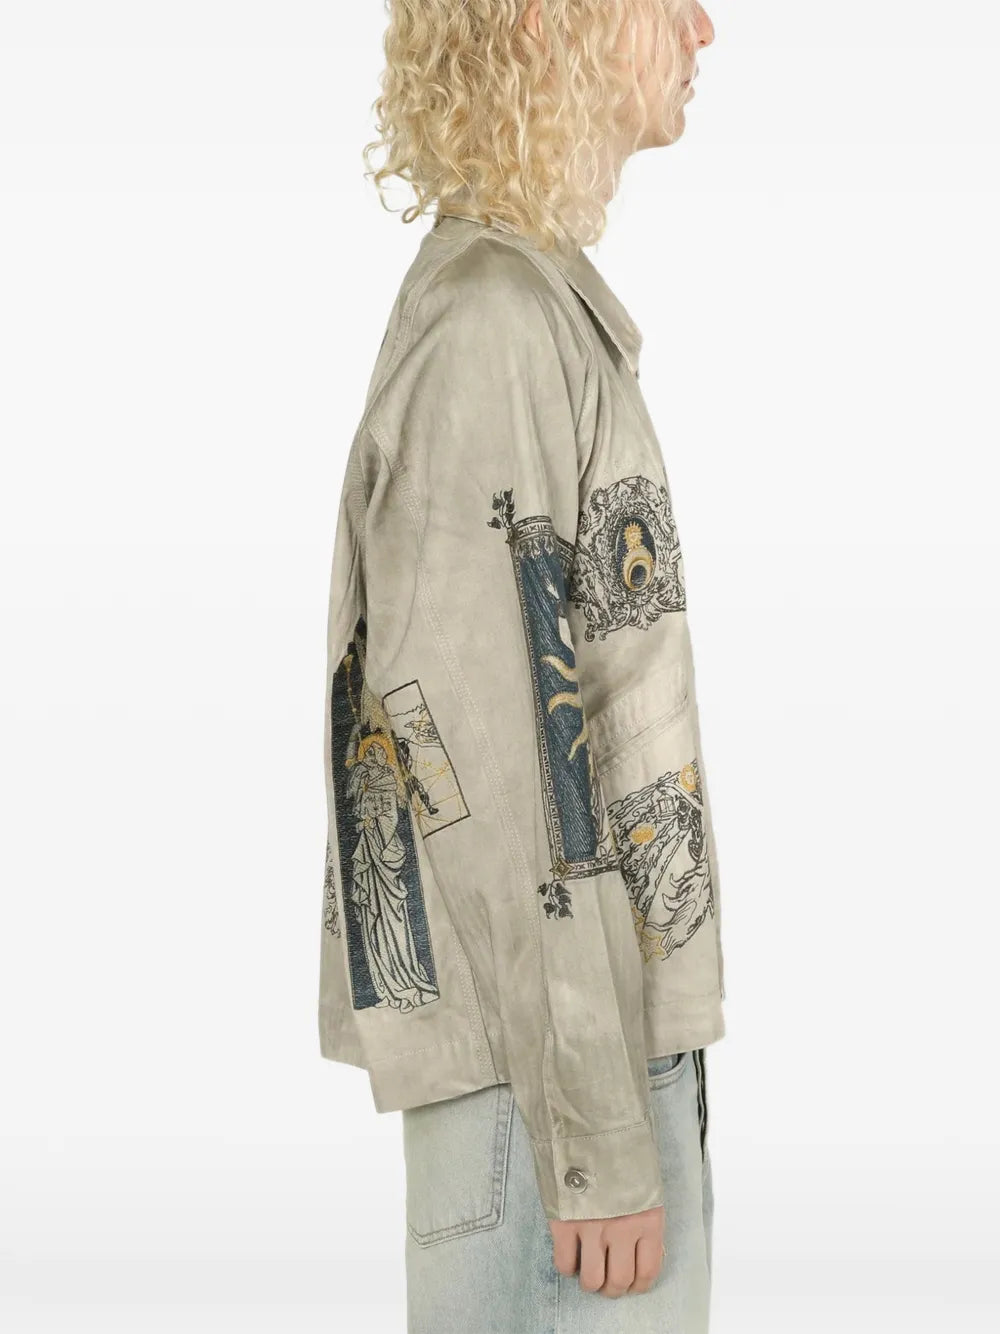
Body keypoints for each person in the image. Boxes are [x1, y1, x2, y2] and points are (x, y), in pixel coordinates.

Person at [317, 3, 724, 1329]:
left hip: (566, 1072)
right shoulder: (494, 323)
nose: (703, 28)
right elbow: (483, 766)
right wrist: (598, 1140)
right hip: (549, 1099)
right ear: (555, 20)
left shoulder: (525, 306)